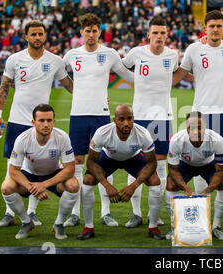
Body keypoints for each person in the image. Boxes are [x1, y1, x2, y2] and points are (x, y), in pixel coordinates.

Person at [172, 10, 223, 227]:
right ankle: (202, 206)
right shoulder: (194, 49)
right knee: (200, 159)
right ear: (205, 28)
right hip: (201, 114)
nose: (215, 29)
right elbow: (180, 74)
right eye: (212, 26)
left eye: (219, 26)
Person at [0, 20, 73, 228]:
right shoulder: (14, 59)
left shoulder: (55, 61)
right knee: (12, 166)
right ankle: (9, 212)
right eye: (33, 34)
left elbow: (69, 85)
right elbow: (4, 87)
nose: (37, 37)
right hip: (17, 120)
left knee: (39, 166)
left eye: (41, 34)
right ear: (26, 36)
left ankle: (32, 212)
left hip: (41, 121)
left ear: (45, 36)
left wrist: (96, 97)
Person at [62, 13, 134, 228]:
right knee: (76, 164)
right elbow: (59, 74)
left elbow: (128, 76)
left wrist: (156, 76)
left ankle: (106, 212)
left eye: (94, 31)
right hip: (77, 115)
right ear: (81, 32)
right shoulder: (72, 55)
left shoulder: (110, 54)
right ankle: (75, 214)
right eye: (87, 31)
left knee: (103, 163)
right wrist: (76, 92)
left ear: (99, 32)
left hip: (101, 115)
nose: (91, 34)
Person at [121, 16, 179, 228]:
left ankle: (155, 212)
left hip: (163, 116)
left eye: (162, 33)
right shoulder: (136, 53)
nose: (159, 36)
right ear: (148, 34)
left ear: (167, 35)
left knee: (161, 164)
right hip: (140, 116)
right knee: (135, 163)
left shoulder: (172, 55)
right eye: (155, 32)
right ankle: (136, 213)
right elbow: (121, 68)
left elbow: (177, 73)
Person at [77, 104, 165, 240]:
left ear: (133, 119)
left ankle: (153, 227)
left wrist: (134, 186)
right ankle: (88, 227)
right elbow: (91, 162)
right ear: (114, 120)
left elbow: (152, 162)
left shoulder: (143, 133)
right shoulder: (102, 132)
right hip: (109, 158)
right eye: (122, 119)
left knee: (155, 182)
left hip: (133, 158)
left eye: (130, 119)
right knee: (87, 181)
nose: (126, 123)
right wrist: (107, 185)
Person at [0, 104, 79, 240]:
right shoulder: (22, 139)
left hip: (53, 174)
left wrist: (44, 185)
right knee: (6, 187)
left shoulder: (62, 137)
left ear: (54, 121)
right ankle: (26, 222)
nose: (46, 124)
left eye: (49, 120)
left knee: (73, 185)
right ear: (33, 122)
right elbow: (13, 171)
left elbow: (70, 169)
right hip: (29, 175)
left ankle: (59, 223)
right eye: (41, 120)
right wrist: (32, 187)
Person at [164, 111, 223, 240]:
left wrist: (208, 190)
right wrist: (185, 187)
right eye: (191, 127)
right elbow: (172, 169)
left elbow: (221, 171)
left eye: (199, 127)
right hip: (186, 165)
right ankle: (175, 227)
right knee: (171, 184)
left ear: (205, 127)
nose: (195, 131)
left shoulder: (216, 140)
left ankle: (216, 226)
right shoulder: (177, 140)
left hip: (208, 164)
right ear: (186, 128)